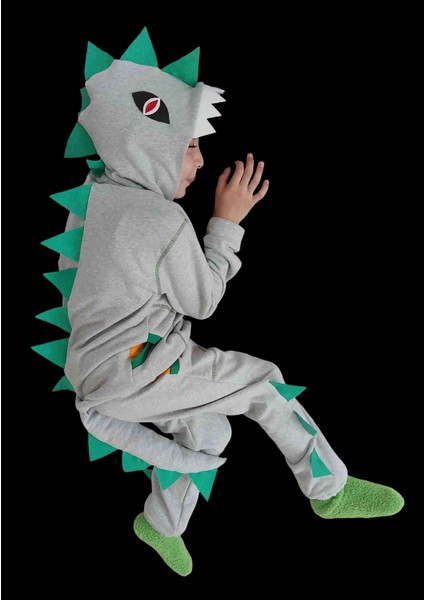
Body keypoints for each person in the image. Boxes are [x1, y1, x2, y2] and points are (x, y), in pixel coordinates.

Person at [34, 28, 404, 577]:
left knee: (210, 432)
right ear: (148, 141)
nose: (201, 160)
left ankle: (160, 524)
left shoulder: (96, 203)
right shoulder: (158, 219)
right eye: (188, 145)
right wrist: (226, 223)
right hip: (138, 367)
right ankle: (330, 489)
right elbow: (203, 300)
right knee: (264, 384)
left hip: (97, 373)